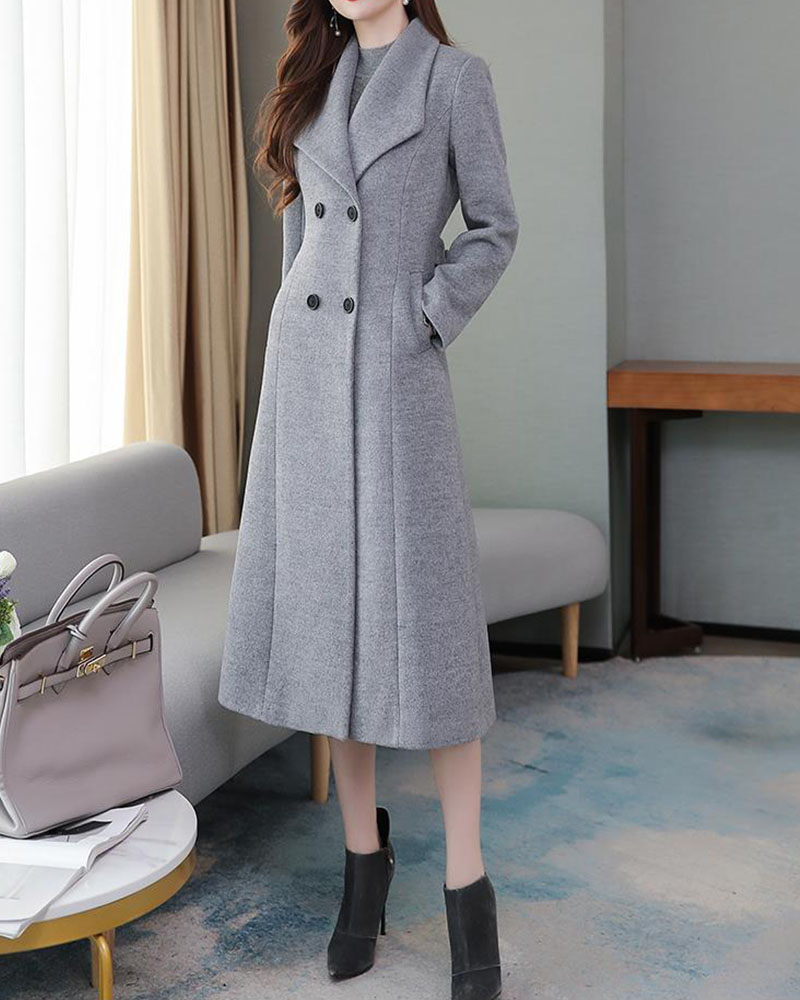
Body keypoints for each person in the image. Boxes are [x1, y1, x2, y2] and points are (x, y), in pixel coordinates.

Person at [217, 2, 519, 997]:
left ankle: (467, 886)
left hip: (394, 383)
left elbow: (494, 226)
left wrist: (422, 316)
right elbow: (302, 233)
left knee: (433, 643)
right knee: (329, 637)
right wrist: (291, 346)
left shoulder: (453, 80)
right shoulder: (316, 74)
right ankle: (361, 865)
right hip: (307, 382)